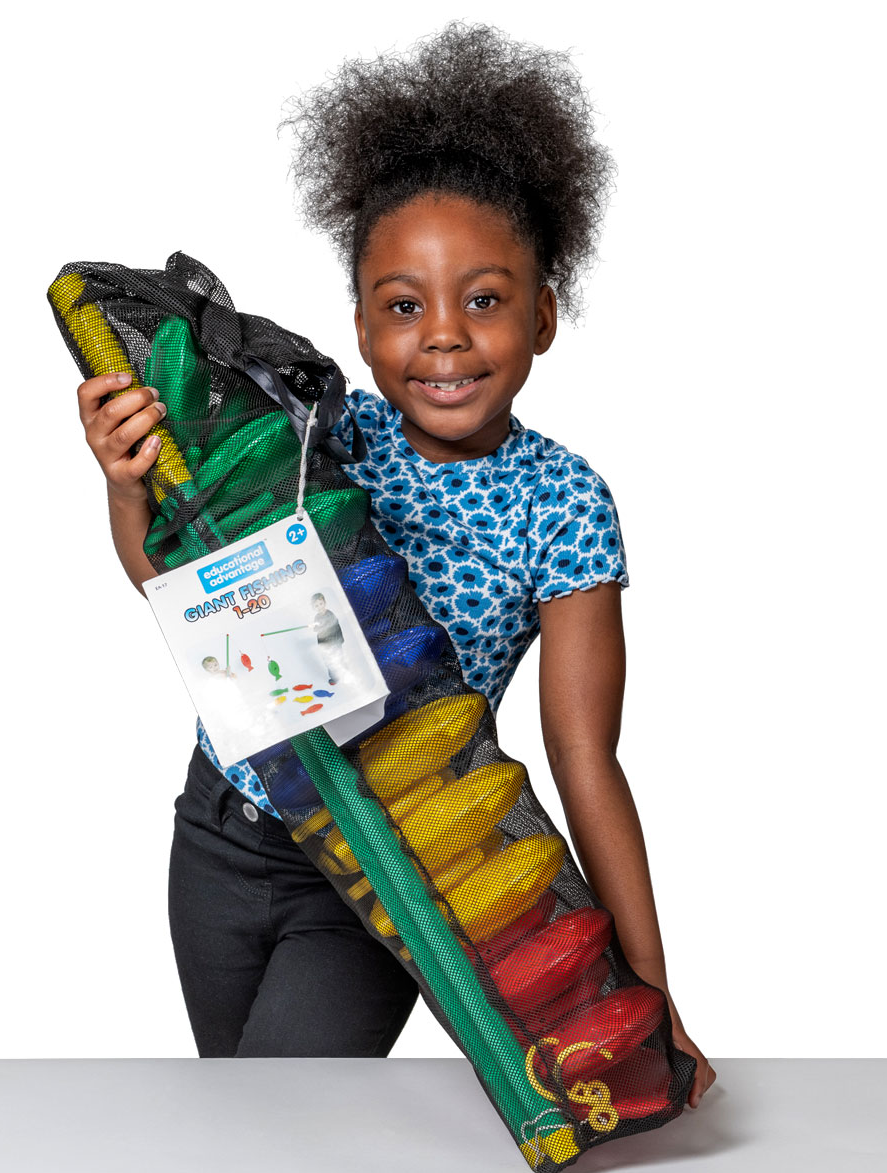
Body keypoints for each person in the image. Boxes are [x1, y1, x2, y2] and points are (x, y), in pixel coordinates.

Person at [74, 21, 715, 1106]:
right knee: (233, 1127)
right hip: (218, 835)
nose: (444, 336)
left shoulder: (563, 503)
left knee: (282, 1127)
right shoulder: (316, 436)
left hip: (388, 870)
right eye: (405, 306)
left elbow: (585, 756)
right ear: (364, 330)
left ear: (544, 315)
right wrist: (124, 482)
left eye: (485, 298)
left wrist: (651, 997)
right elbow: (175, 588)